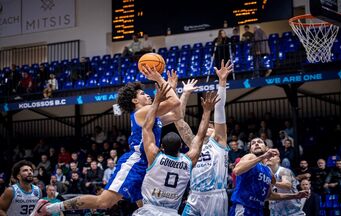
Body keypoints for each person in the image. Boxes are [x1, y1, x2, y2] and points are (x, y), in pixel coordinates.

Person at [31, 66, 181, 215]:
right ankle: (48, 208)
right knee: (104, 202)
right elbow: (174, 103)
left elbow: (176, 115)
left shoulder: (151, 115)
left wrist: (171, 87)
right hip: (135, 163)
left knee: (147, 207)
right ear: (135, 100)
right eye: (143, 94)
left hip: (147, 165)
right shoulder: (142, 112)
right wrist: (160, 79)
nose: (148, 95)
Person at [133, 84, 218, 215]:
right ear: (181, 147)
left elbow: (146, 128)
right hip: (172, 212)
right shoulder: (188, 161)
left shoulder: (155, 156)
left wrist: (157, 100)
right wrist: (207, 112)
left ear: (161, 147)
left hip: (149, 210)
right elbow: (199, 137)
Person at [175, 60, 232, 216]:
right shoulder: (195, 144)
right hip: (194, 196)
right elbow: (179, 121)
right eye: (206, 126)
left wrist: (222, 82)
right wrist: (185, 93)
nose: (207, 128)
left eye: (211, 127)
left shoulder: (219, 141)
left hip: (215, 195)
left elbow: (219, 108)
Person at [230, 138, 309, 216]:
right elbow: (237, 170)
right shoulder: (250, 156)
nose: (256, 144)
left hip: (258, 210)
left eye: (259, 142)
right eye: (253, 143)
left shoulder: (269, 172)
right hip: (243, 207)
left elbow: (269, 196)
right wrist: (263, 156)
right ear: (251, 150)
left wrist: (295, 196)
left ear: (266, 148)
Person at [266, 151, 305, 216]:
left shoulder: (283, 171)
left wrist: (272, 182)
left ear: (278, 159)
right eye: (267, 156)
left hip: (293, 213)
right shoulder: (265, 174)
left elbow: (287, 185)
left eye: (272, 156)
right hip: (275, 213)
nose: (268, 158)